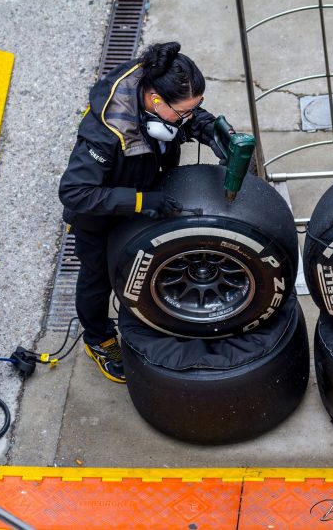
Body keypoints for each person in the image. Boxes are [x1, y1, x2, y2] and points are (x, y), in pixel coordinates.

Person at [59, 42, 226, 383]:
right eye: (184, 114)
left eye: (197, 109)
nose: (188, 118)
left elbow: (186, 116)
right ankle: (99, 339)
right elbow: (74, 192)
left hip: (146, 187)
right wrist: (139, 202)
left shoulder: (159, 82)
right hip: (101, 213)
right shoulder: (105, 133)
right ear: (154, 101)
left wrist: (207, 129)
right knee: (97, 278)